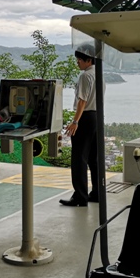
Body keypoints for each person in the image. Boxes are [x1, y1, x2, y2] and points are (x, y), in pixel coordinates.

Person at [61, 44, 100, 207]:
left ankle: (80, 196)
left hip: (85, 117)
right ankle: (97, 193)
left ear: (88, 60)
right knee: (93, 158)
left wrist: (75, 121)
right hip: (96, 116)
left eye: (79, 59)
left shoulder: (85, 76)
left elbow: (82, 100)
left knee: (79, 158)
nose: (77, 62)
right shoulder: (99, 74)